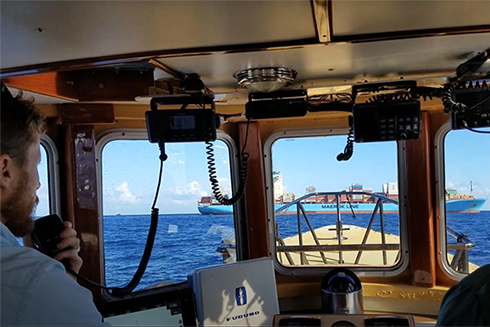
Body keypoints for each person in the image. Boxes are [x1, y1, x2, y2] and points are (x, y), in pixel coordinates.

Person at [0, 84, 108, 326]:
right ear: (4, 170)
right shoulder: (35, 282)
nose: (38, 184)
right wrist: (52, 280)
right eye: (35, 163)